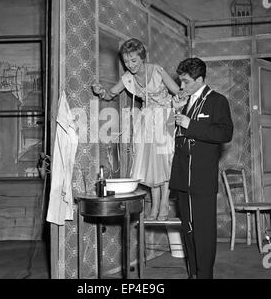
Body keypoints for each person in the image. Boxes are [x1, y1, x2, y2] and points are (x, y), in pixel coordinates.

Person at [93, 38, 180, 220]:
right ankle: (154, 206)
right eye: (126, 62)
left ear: (142, 58)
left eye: (134, 60)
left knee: (165, 162)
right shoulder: (128, 78)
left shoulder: (157, 70)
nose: (130, 65)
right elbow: (110, 94)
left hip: (164, 119)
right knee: (150, 164)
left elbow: (178, 91)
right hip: (147, 121)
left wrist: (173, 108)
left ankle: (164, 204)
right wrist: (101, 91)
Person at [170, 57, 233, 279]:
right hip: (182, 178)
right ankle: (193, 274)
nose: (181, 86)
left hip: (202, 179)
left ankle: (205, 275)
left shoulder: (217, 101)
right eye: (181, 81)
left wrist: (191, 124)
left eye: (186, 81)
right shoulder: (184, 102)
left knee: (204, 233)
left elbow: (225, 133)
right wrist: (175, 114)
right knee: (188, 230)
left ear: (199, 79)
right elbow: (174, 139)